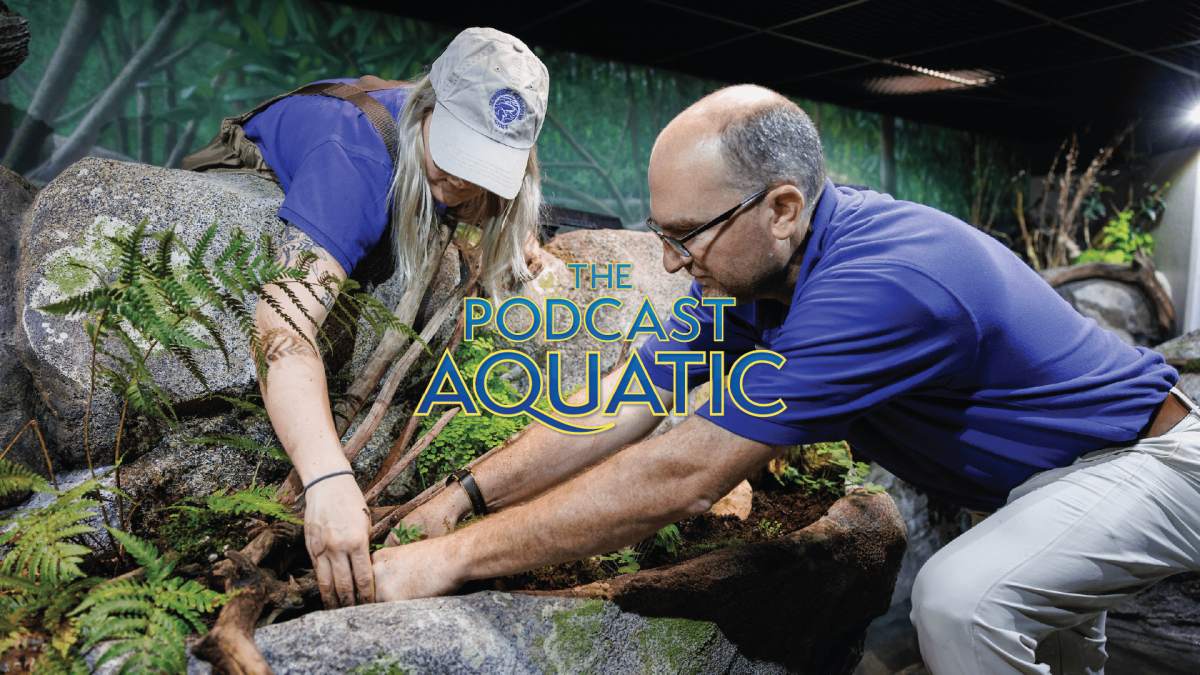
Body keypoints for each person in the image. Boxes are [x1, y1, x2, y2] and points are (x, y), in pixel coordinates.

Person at [371, 84, 1200, 675]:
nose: (668, 261)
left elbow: (683, 474)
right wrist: (463, 495)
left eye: (686, 234)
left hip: (1147, 460)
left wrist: (449, 562)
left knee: (958, 601)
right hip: (1043, 481)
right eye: (660, 231)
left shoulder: (880, 284)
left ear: (782, 209)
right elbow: (621, 405)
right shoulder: (747, 280)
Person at [209, 27, 550, 610]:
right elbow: (279, 327)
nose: (462, 181)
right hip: (255, 153)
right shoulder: (353, 165)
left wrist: (520, 235)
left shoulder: (468, 145)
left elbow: (503, 198)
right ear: (428, 105)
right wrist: (326, 478)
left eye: (486, 164)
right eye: (456, 150)